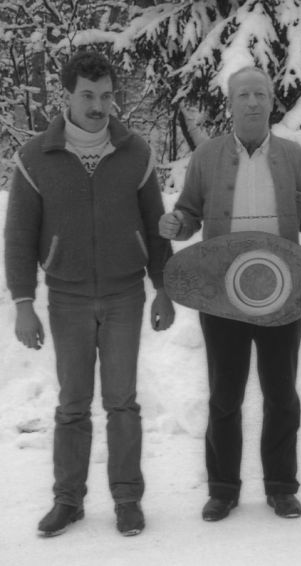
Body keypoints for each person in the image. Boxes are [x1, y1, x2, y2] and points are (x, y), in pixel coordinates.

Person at [4, 50, 175, 537]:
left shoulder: (135, 153)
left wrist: (163, 288)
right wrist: (23, 304)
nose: (99, 106)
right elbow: (19, 237)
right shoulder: (35, 158)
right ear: (67, 96)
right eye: (87, 96)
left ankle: (127, 498)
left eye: (106, 95)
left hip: (125, 295)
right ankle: (68, 499)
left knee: (123, 402)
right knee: (73, 404)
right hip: (67, 298)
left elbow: (155, 226)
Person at [158, 66, 301, 522]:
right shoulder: (207, 156)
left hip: (282, 295)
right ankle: (222, 489)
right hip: (222, 297)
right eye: (243, 95)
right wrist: (178, 224)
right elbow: (189, 213)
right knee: (224, 396)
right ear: (230, 103)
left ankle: (281, 487)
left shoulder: (295, 156)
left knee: (281, 395)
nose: (253, 102)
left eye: (260, 94)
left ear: (272, 101)